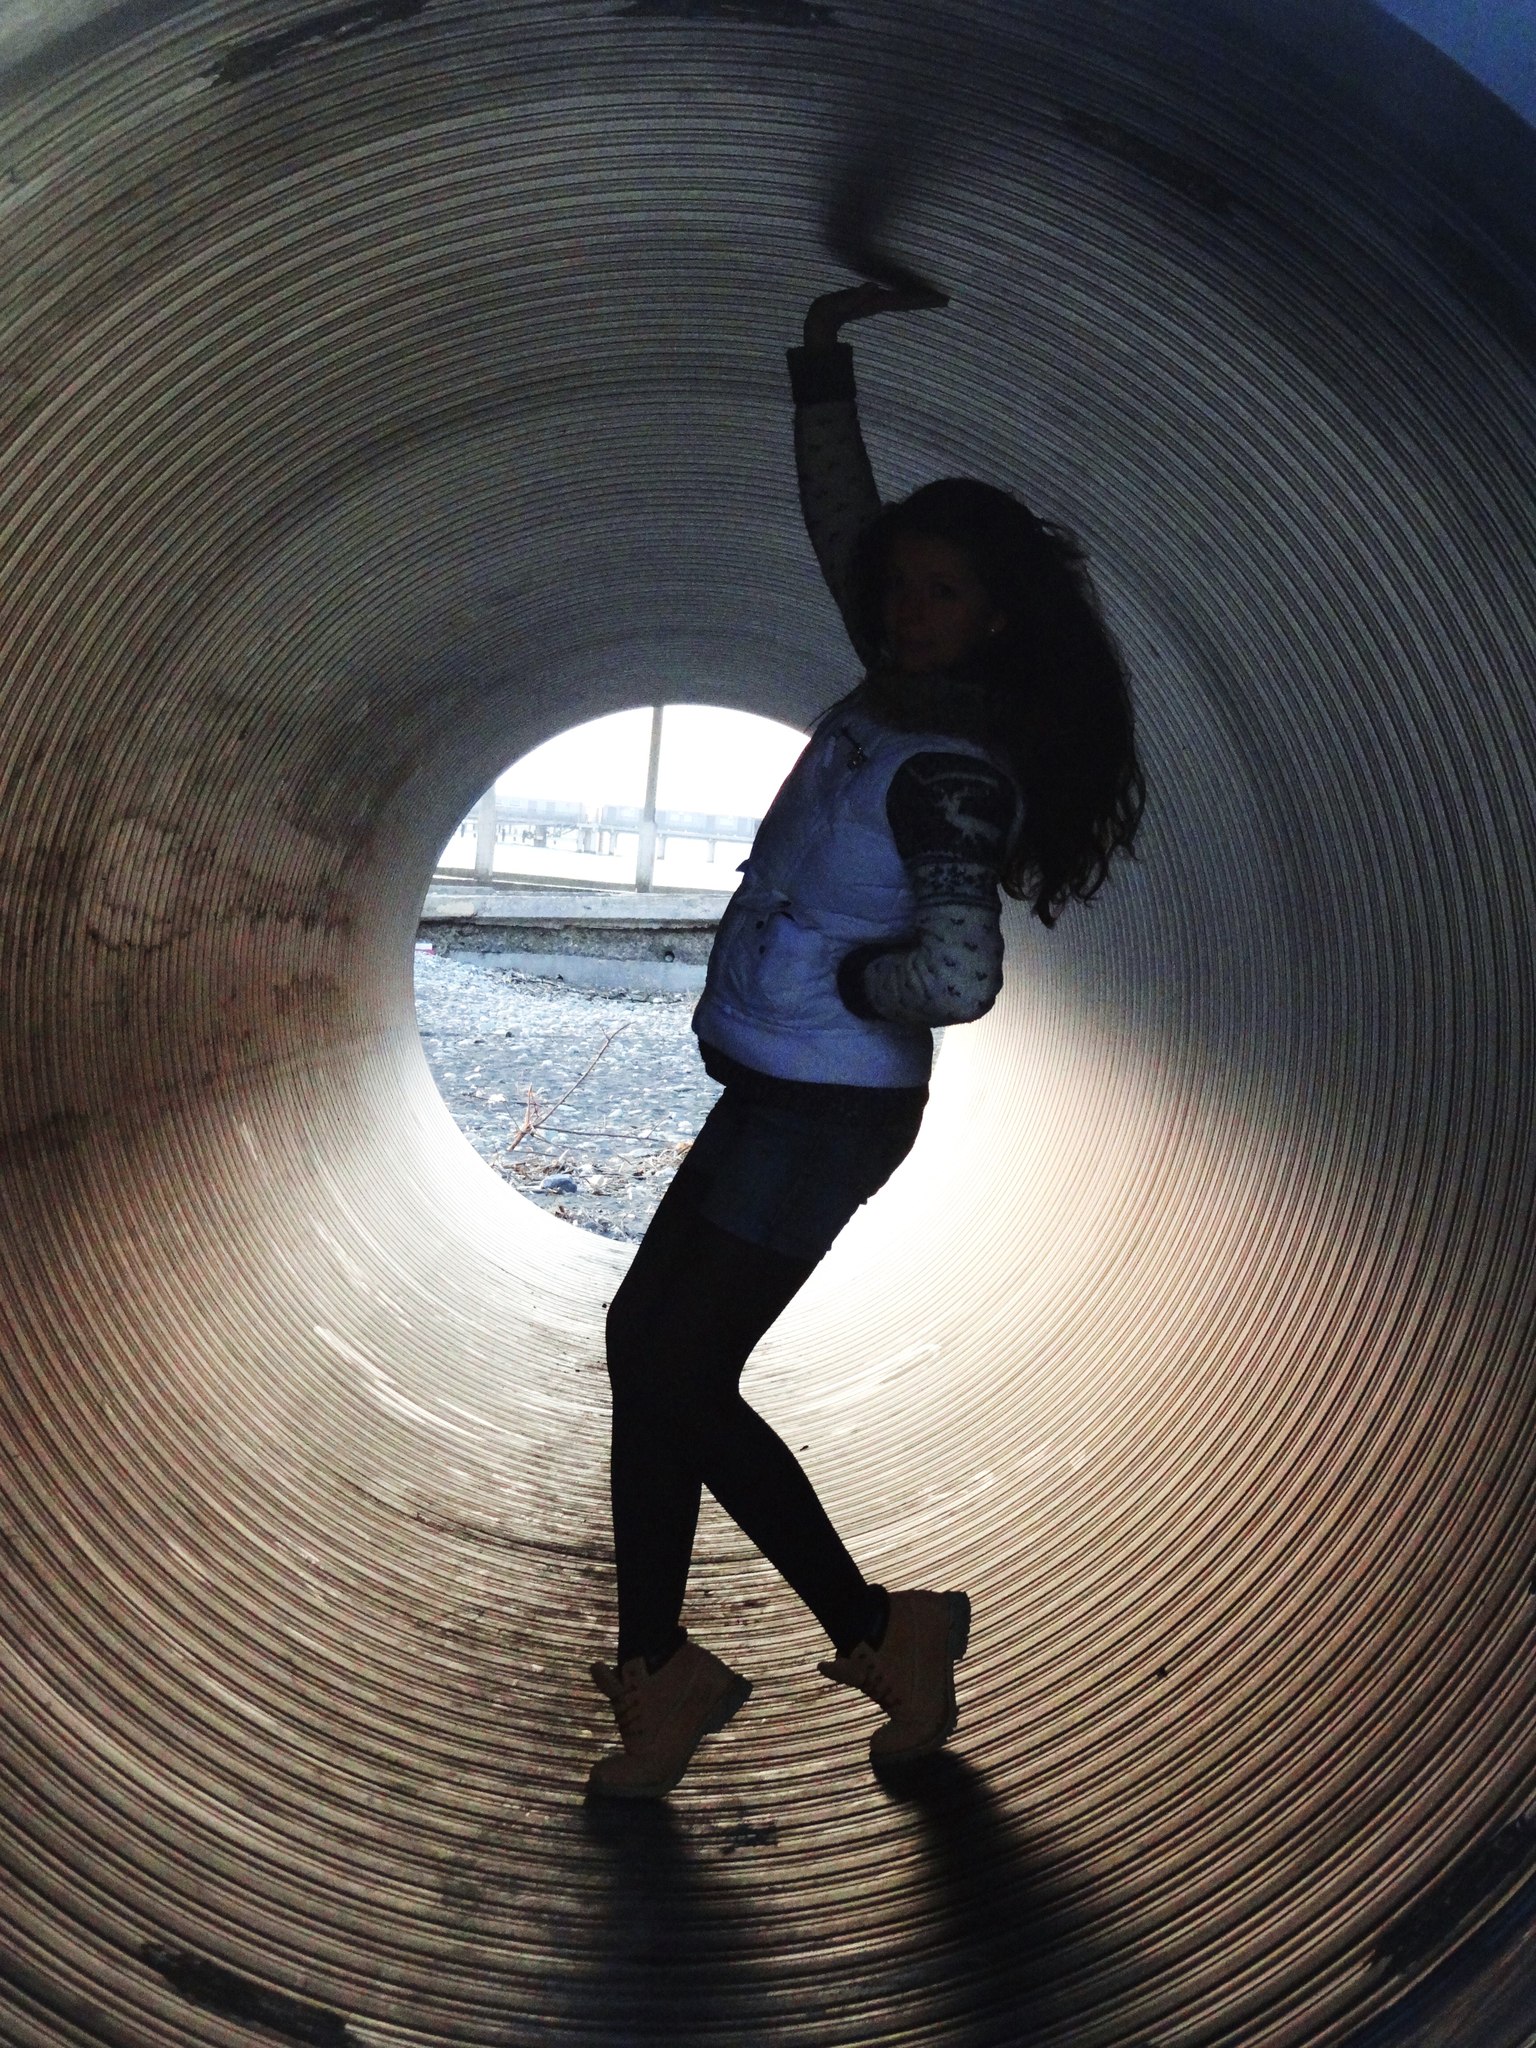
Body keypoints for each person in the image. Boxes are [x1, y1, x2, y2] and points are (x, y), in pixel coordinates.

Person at [588, 276, 1145, 1798]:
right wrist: (823, 357)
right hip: (780, 1089)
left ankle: (842, 1636)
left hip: (825, 1109)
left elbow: (957, 973)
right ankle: (688, 1667)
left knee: (674, 1369)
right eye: (901, 587)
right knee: (650, 1352)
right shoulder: (898, 684)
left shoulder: (948, 764)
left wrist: (848, 992)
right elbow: (849, 522)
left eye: (941, 593)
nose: (905, 608)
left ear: (996, 615)